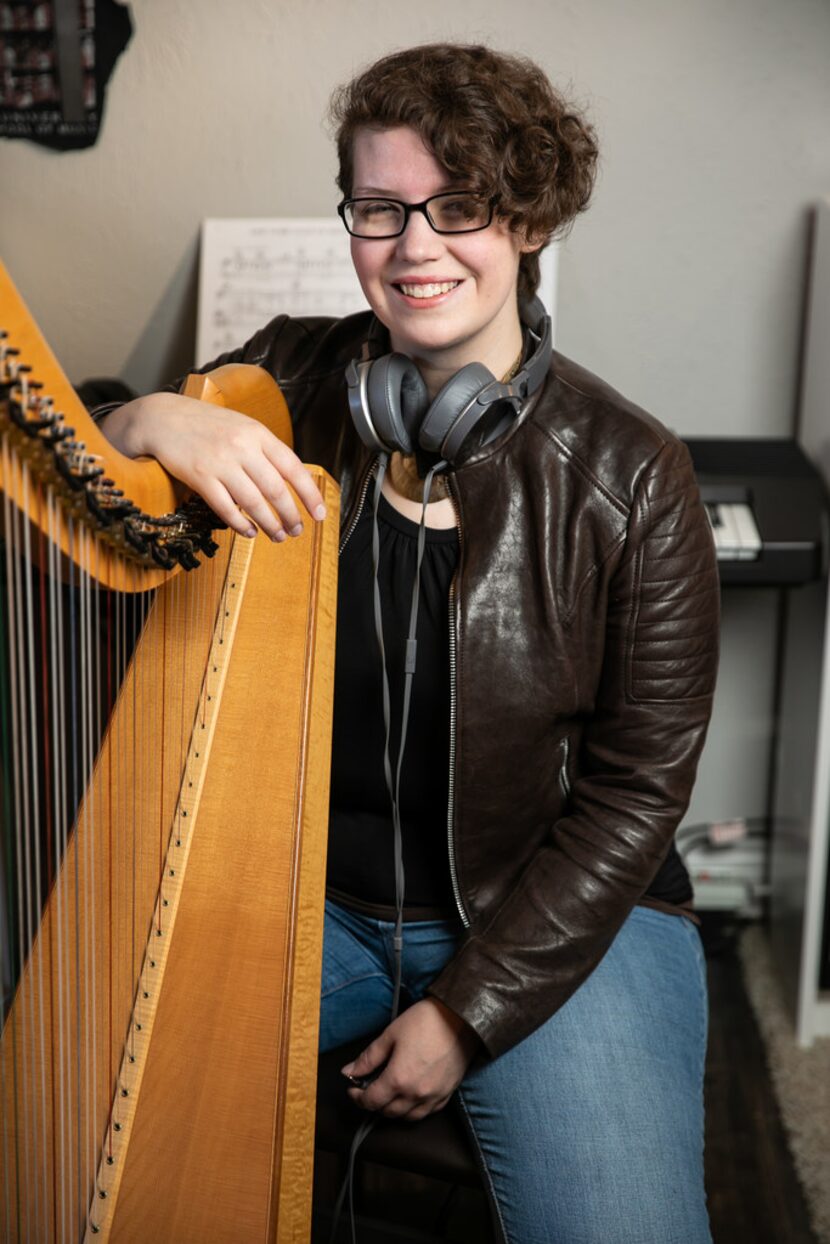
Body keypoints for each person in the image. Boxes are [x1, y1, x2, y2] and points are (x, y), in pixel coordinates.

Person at [98, 43, 720, 1244]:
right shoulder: (282, 376)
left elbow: (635, 793)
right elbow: (79, 470)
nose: (414, 246)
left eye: (461, 208)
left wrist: (466, 1011)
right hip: (297, 899)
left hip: (546, 916)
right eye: (379, 209)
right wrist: (149, 412)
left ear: (528, 220)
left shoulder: (630, 473)